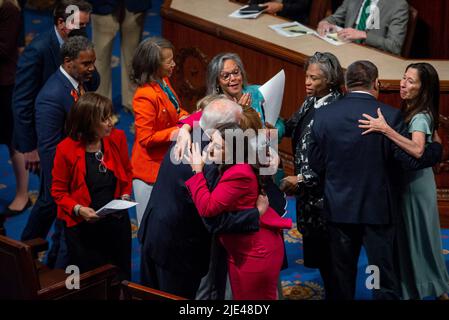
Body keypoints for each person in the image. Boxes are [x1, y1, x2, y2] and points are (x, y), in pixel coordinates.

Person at [308, 60, 443, 300]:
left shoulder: (324, 116)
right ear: (376, 84)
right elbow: (409, 162)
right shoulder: (389, 116)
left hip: (339, 210)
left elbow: (316, 165)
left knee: (342, 276)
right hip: (378, 212)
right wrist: (436, 150)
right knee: (380, 277)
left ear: (346, 85)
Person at [138, 98, 262, 299]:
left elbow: (200, 117)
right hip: (178, 251)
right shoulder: (211, 159)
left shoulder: (191, 133)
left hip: (154, 232)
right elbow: (213, 220)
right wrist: (255, 214)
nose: (239, 128)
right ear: (221, 128)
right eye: (236, 124)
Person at [358, 62, 449, 300]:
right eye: (403, 77)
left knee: (418, 239)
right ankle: (428, 287)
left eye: (410, 81)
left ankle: (428, 287)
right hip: (414, 183)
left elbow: (418, 150)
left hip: (415, 187)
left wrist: (385, 129)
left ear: (423, 88)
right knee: (415, 239)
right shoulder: (417, 110)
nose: (403, 83)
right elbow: (434, 142)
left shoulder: (419, 116)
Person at [185, 121, 292, 300]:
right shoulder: (230, 164)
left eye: (217, 146)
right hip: (241, 249)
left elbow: (207, 207)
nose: (209, 149)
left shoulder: (239, 172)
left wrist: (197, 172)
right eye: (211, 142)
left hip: (257, 253)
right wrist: (184, 128)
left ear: (233, 151)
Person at [21, 36, 97, 268]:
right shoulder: (52, 96)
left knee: (60, 221)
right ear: (68, 62)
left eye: (93, 62)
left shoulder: (76, 81)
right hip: (61, 174)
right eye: (86, 64)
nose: (92, 69)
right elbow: (49, 147)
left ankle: (51, 259)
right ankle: (22, 256)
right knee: (49, 210)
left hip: (76, 167)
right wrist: (66, 182)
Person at [281, 52, 344, 298]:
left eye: (314, 78)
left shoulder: (336, 108)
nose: (307, 82)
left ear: (329, 81)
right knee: (319, 256)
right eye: (307, 76)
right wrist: (272, 127)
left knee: (331, 261)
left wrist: (303, 179)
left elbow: (334, 159)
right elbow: (292, 125)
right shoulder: (311, 100)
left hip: (327, 200)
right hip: (309, 198)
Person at [51, 93, 132, 281]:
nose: (111, 122)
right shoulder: (66, 149)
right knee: (92, 281)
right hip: (84, 228)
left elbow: (127, 173)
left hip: (116, 223)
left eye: (110, 116)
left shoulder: (117, 138)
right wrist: (79, 210)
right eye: (104, 119)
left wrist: (125, 196)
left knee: (120, 276)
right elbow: (58, 191)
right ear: (88, 122)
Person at [13, 0, 98, 179]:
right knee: (51, 194)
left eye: (85, 25)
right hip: (48, 136)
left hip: (74, 131)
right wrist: (29, 147)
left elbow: (94, 83)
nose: (83, 29)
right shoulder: (37, 50)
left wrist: (87, 67)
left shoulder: (80, 42)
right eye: (79, 25)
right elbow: (22, 102)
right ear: (61, 23)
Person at [130, 37, 189, 227]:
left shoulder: (163, 81)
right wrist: (178, 131)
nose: (173, 64)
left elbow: (177, 110)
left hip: (166, 163)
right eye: (168, 61)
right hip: (150, 174)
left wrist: (188, 119)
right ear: (154, 65)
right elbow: (146, 138)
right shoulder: (144, 96)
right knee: (150, 229)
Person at [88, 0, 151, 112]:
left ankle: (133, 101)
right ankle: (102, 107)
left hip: (135, 5)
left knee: (133, 56)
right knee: (100, 57)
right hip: (102, 4)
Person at [206, 52, 285, 138]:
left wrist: (274, 133)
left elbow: (279, 123)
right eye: (226, 76)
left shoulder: (258, 92)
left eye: (236, 72)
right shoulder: (215, 106)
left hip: (266, 148)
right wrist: (241, 114)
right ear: (217, 81)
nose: (233, 78)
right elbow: (228, 140)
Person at [0, 0, 30, 217]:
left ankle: (23, 194)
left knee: (13, 140)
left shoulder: (9, 9)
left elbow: (4, 48)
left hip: (4, 85)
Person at [317, 0, 409, 55]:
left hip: (370, 56)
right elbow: (336, 18)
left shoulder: (398, 5)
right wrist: (325, 22)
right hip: (344, 48)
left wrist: (363, 35)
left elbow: (394, 46)